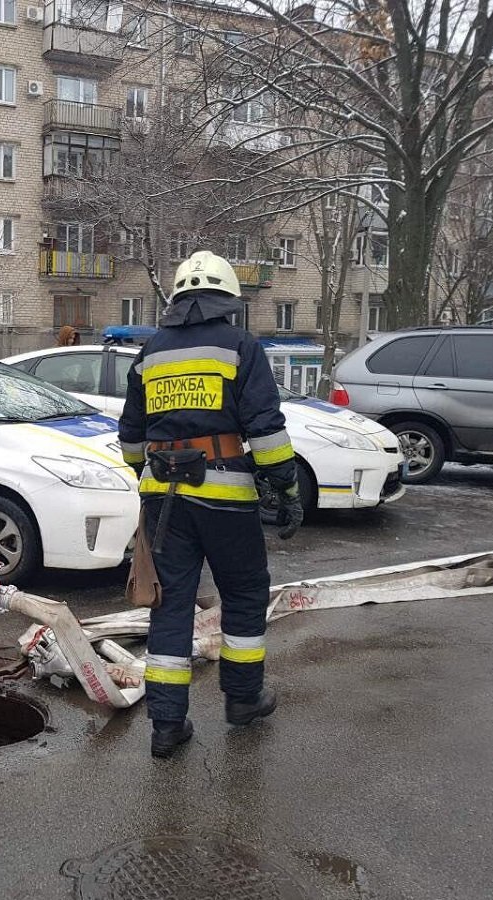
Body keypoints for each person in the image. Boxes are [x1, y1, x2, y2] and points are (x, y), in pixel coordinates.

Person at [118, 250, 303, 759]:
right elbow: (266, 429)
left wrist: (148, 477)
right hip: (225, 498)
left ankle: (165, 727)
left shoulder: (151, 352)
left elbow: (131, 437)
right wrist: (285, 489)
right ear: (227, 301)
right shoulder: (241, 346)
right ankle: (242, 702)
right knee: (243, 594)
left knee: (170, 604)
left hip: (164, 500)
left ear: (178, 299)